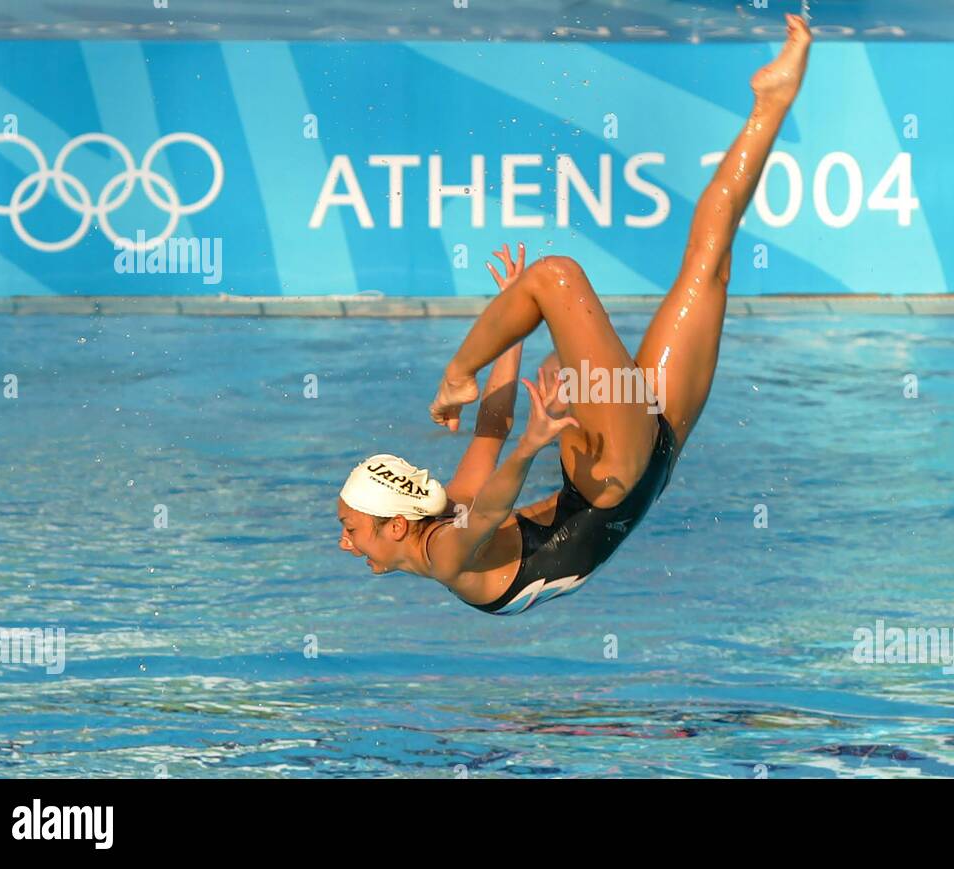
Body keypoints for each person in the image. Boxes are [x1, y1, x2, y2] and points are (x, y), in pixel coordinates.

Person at [338, 14, 812, 615]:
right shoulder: (443, 556)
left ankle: (772, 101)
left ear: (395, 523)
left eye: (351, 527)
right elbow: (489, 508)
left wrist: (509, 327)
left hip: (617, 471)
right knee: (707, 268)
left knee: (557, 281)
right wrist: (531, 444)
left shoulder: (444, 533)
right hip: (641, 463)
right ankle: (775, 100)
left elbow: (492, 430)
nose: (344, 541)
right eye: (348, 527)